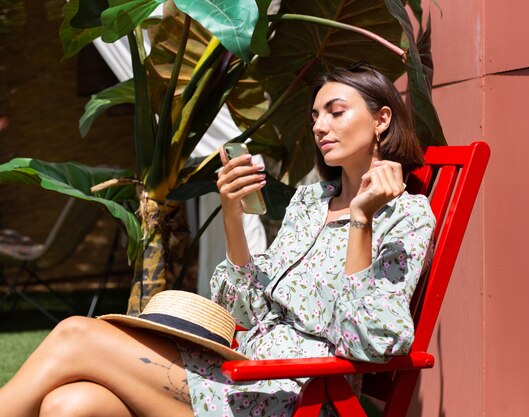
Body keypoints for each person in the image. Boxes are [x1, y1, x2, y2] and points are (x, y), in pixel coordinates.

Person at [0, 65, 435, 417]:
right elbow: (245, 311)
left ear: (381, 118)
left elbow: (372, 342)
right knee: (71, 405)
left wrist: (361, 217)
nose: (320, 126)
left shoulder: (406, 216)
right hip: (242, 369)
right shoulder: (309, 202)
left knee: (76, 332)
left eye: (335, 112)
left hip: (298, 392)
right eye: (315, 117)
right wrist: (232, 212)